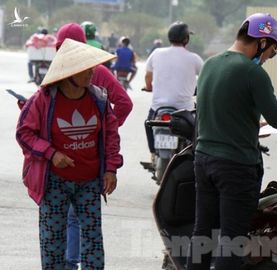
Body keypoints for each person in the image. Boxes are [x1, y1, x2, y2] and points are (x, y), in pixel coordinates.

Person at [186, 13, 277, 269]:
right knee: (231, 241)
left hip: (203, 160)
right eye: (272, 52)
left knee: (203, 234)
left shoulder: (210, 64)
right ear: (262, 42)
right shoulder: (252, 73)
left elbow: (211, 111)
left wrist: (248, 122)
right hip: (236, 166)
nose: (268, 58)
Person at [16, 38, 122, 269]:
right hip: (54, 181)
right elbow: (24, 134)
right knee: (52, 240)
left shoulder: (99, 99)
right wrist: (52, 154)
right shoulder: (42, 100)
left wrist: (111, 169)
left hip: (89, 181)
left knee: (93, 239)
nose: (92, 73)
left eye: (92, 67)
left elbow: (111, 136)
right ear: (69, 73)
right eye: (86, 69)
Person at [54, 22, 133, 270]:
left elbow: (124, 103)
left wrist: (102, 130)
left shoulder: (95, 71)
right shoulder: (56, 72)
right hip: (59, 159)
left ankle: (71, 262)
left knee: (75, 215)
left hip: (86, 157)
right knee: (65, 216)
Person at [142, 21, 203, 164]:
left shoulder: (156, 53)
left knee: (148, 123)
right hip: (184, 110)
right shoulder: (194, 58)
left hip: (159, 108)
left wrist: (148, 86)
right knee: (196, 131)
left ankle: (152, 153)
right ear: (186, 39)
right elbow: (206, 76)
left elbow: (147, 76)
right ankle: (191, 156)